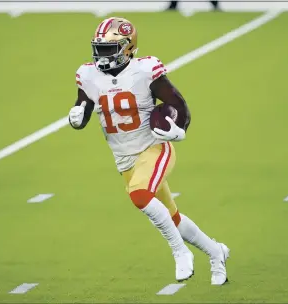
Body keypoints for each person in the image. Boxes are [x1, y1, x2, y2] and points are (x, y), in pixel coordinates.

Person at [68, 17, 229, 285]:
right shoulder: (88, 75)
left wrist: (179, 128)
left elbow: (177, 103)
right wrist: (76, 117)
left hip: (153, 148)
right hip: (124, 158)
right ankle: (216, 252)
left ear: (128, 48)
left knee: (140, 195)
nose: (101, 55)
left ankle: (180, 252)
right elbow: (83, 109)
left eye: (109, 49)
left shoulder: (144, 71)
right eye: (99, 48)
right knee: (172, 216)